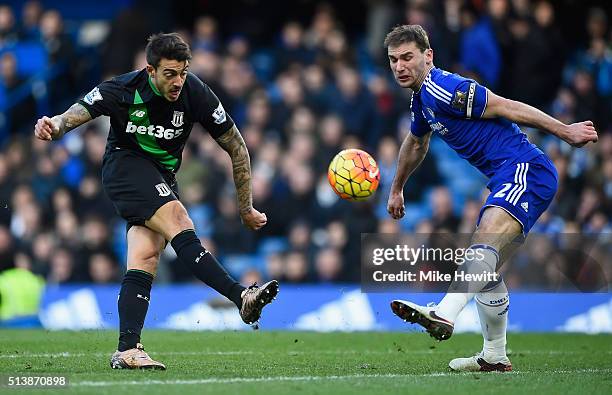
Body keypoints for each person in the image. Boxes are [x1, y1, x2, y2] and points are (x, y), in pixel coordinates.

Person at [34, 33, 279, 370]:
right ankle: (241, 297)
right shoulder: (122, 88)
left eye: (183, 72)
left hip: (162, 177)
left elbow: (237, 147)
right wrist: (53, 125)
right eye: (170, 74)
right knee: (179, 219)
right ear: (150, 70)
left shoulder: (196, 92)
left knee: (145, 256)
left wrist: (245, 207)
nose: (178, 81)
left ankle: (128, 349)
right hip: (124, 167)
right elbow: (73, 115)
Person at [384, 25, 597, 372]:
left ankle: (444, 313)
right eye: (393, 60)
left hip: (524, 168)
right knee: (486, 267)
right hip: (511, 174)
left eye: (407, 57)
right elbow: (416, 142)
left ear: (428, 56)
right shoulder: (421, 100)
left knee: (481, 248)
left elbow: (504, 106)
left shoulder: (446, 87)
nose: (399, 66)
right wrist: (396, 188)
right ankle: (494, 355)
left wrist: (565, 130)